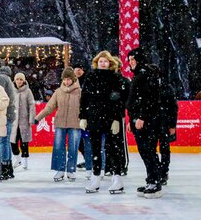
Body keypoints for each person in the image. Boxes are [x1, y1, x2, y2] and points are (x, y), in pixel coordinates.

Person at [80, 51, 129, 194]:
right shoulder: (91, 77)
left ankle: (117, 177)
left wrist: (116, 118)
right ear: (96, 62)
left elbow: (119, 100)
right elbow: (85, 98)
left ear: (110, 63)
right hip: (94, 118)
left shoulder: (115, 78)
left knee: (113, 148)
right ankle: (95, 178)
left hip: (110, 117)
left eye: (105, 61)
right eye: (100, 61)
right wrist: (83, 116)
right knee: (95, 149)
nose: (103, 63)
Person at [126, 47, 165, 198]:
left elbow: (149, 99)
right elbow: (134, 101)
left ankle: (155, 181)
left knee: (149, 150)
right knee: (144, 151)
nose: (131, 62)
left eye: (133, 59)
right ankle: (151, 179)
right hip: (139, 120)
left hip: (148, 121)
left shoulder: (146, 74)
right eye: (129, 60)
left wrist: (142, 117)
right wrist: (131, 119)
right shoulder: (138, 75)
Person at [34, 67, 82, 181]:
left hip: (75, 123)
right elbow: (49, 107)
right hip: (60, 123)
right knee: (59, 147)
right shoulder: (58, 92)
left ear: (73, 79)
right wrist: (38, 117)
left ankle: (70, 170)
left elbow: (85, 108)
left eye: (69, 79)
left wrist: (86, 120)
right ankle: (60, 170)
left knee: (73, 147)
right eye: (65, 79)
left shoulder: (79, 92)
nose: (66, 82)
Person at [155, 65, 178, 187]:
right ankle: (157, 171)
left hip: (164, 123)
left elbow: (173, 108)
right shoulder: (148, 87)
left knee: (164, 148)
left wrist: (172, 125)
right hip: (152, 124)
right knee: (151, 149)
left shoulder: (167, 88)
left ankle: (163, 172)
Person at [10, 72, 35, 170]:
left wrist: (31, 119)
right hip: (13, 121)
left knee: (24, 142)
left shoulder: (28, 91)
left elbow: (31, 105)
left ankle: (25, 160)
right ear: (14, 80)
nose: (19, 81)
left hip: (24, 121)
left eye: (21, 79)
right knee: (13, 141)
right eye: (17, 79)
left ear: (24, 81)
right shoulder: (11, 91)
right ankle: (18, 158)